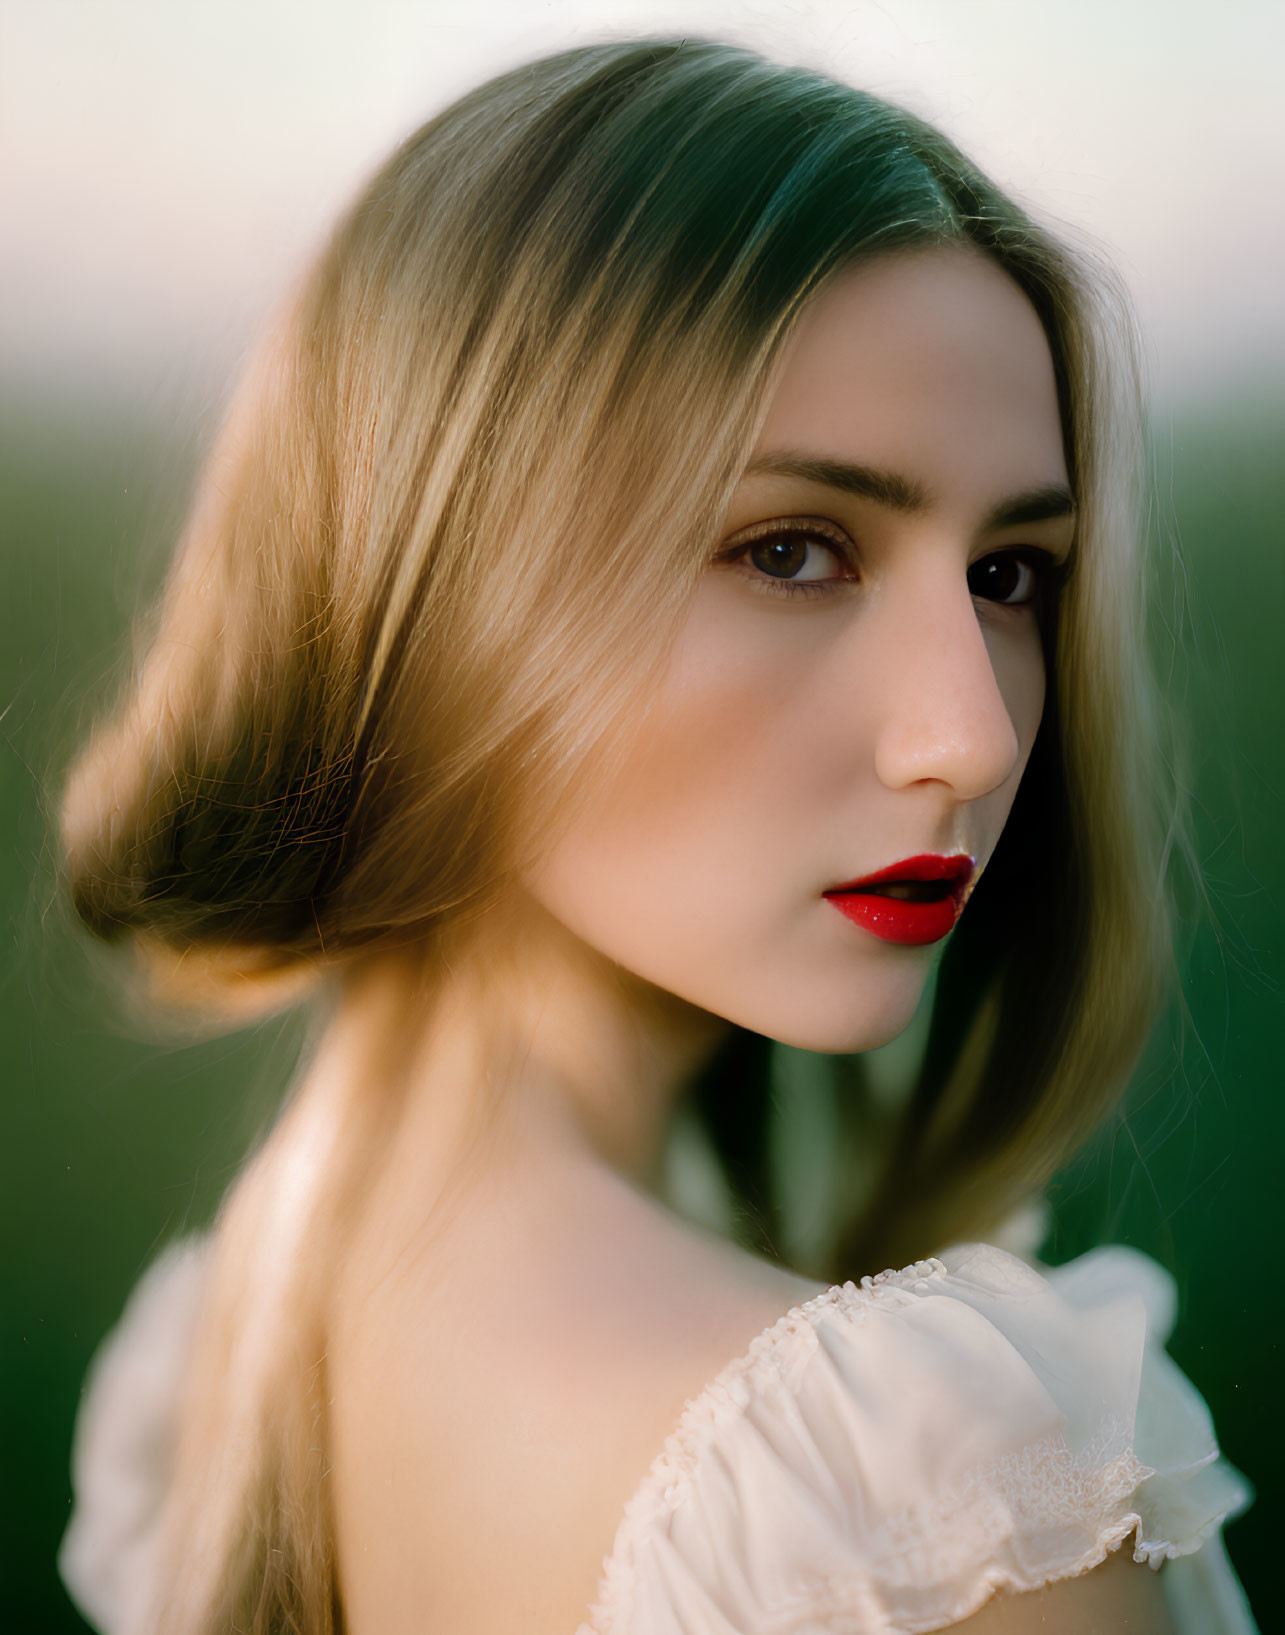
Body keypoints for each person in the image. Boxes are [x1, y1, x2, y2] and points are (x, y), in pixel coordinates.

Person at [55, 36, 1256, 1635]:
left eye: (1007, 575)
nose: (968, 734)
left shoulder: (219, 1362)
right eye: (791, 549)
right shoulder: (929, 1507)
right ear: (442, 592)